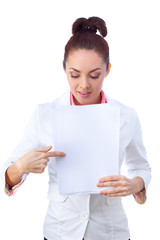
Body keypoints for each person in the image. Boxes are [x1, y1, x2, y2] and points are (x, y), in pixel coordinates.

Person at [1, 16, 151, 240]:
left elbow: (141, 167)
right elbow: (9, 173)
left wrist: (134, 184)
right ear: (64, 68)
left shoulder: (126, 115)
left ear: (108, 70)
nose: (84, 85)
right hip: (60, 231)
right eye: (74, 74)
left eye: (94, 75)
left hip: (111, 232)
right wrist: (21, 167)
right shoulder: (45, 114)